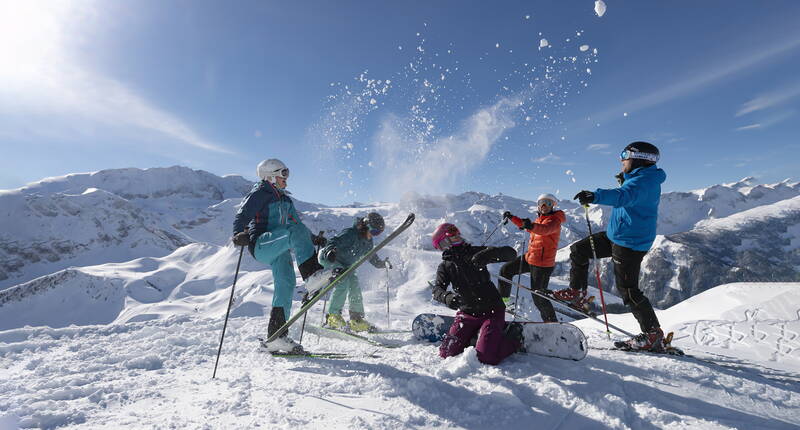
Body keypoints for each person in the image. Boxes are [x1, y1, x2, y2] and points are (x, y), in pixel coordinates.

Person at [554, 141, 667, 351]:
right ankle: (577, 293)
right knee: (579, 250)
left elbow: (623, 196)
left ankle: (652, 334)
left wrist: (595, 196)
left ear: (638, 158)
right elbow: (628, 191)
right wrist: (624, 178)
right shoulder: (640, 178)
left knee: (629, 290)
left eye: (625, 154)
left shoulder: (643, 182)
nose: (621, 159)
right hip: (617, 235)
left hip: (630, 243)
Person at [232, 159, 325, 353]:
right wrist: (238, 234)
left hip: (279, 247)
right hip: (261, 244)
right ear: (270, 176)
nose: (286, 179)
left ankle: (276, 336)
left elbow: (297, 224)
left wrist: (312, 239)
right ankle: (312, 276)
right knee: (292, 231)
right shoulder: (260, 193)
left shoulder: (285, 200)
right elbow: (242, 215)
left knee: (286, 283)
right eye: (283, 174)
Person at [430, 223, 523, 365]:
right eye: (449, 239)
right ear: (443, 245)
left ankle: (514, 337)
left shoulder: (475, 253)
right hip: (467, 313)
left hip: (492, 310)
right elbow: (437, 289)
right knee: (446, 353)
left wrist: (490, 254)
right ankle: (478, 337)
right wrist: (448, 297)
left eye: (456, 236)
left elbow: (511, 254)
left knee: (486, 357)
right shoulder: (445, 266)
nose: (456, 239)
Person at [497, 193, 565, 323]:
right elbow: (529, 227)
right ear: (538, 206)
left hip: (543, 265)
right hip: (530, 258)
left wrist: (531, 226)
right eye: (541, 203)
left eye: (548, 203)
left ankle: (552, 324)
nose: (544, 206)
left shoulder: (555, 221)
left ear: (553, 206)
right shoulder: (540, 219)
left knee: (539, 297)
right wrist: (512, 218)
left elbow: (544, 230)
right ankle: (504, 302)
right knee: (506, 271)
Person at [319, 212, 389, 332]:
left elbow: (370, 255)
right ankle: (332, 316)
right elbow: (332, 242)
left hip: (346, 265)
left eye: (378, 233)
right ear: (366, 226)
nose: (374, 235)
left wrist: (381, 264)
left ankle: (356, 320)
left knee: (355, 285)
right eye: (374, 232)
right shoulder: (351, 234)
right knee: (343, 282)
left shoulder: (368, 241)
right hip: (331, 259)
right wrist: (330, 251)